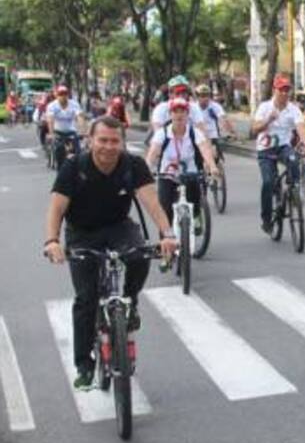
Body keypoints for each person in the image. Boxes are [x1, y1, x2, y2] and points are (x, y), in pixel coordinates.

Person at [43, 116, 178, 390]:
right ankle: (84, 365)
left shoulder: (133, 165)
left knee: (140, 255)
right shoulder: (74, 167)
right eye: (102, 140)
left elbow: (152, 202)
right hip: (82, 232)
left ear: (123, 142)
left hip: (118, 227)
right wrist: (52, 241)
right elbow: (56, 208)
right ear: (90, 140)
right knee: (86, 299)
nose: (108, 146)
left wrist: (168, 234)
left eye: (114, 141)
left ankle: (130, 301)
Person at [145, 97, 219, 228]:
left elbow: (204, 149)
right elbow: (153, 152)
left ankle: (196, 215)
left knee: (195, 196)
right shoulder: (162, 133)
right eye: (175, 111)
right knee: (165, 209)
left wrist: (212, 166)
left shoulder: (194, 132)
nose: (179, 114)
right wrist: (146, 170)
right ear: (170, 114)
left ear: (187, 114)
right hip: (167, 173)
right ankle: (166, 244)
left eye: (182, 111)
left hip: (190, 172)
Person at [252, 75, 305, 233]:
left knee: (293, 158)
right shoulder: (264, 107)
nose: (284, 93)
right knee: (269, 182)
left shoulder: (293, 109)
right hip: (265, 149)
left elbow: (301, 127)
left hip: (283, 147)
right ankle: (266, 218)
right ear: (274, 90)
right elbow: (255, 129)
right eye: (281, 90)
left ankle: (295, 190)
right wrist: (268, 120)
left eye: (287, 90)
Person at [45, 85, 86, 165]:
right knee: (59, 148)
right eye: (61, 94)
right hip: (57, 131)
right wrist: (51, 133)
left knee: (78, 149)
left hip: (71, 131)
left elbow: (80, 117)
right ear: (57, 95)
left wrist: (82, 131)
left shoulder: (74, 104)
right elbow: (50, 120)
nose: (63, 96)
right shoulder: (52, 105)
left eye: (65, 94)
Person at [194, 84, 233, 164]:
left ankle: (218, 173)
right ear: (197, 97)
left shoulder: (215, 106)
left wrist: (230, 131)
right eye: (202, 96)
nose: (205, 98)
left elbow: (223, 118)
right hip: (198, 138)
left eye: (207, 95)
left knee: (215, 157)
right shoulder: (193, 107)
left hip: (212, 137)